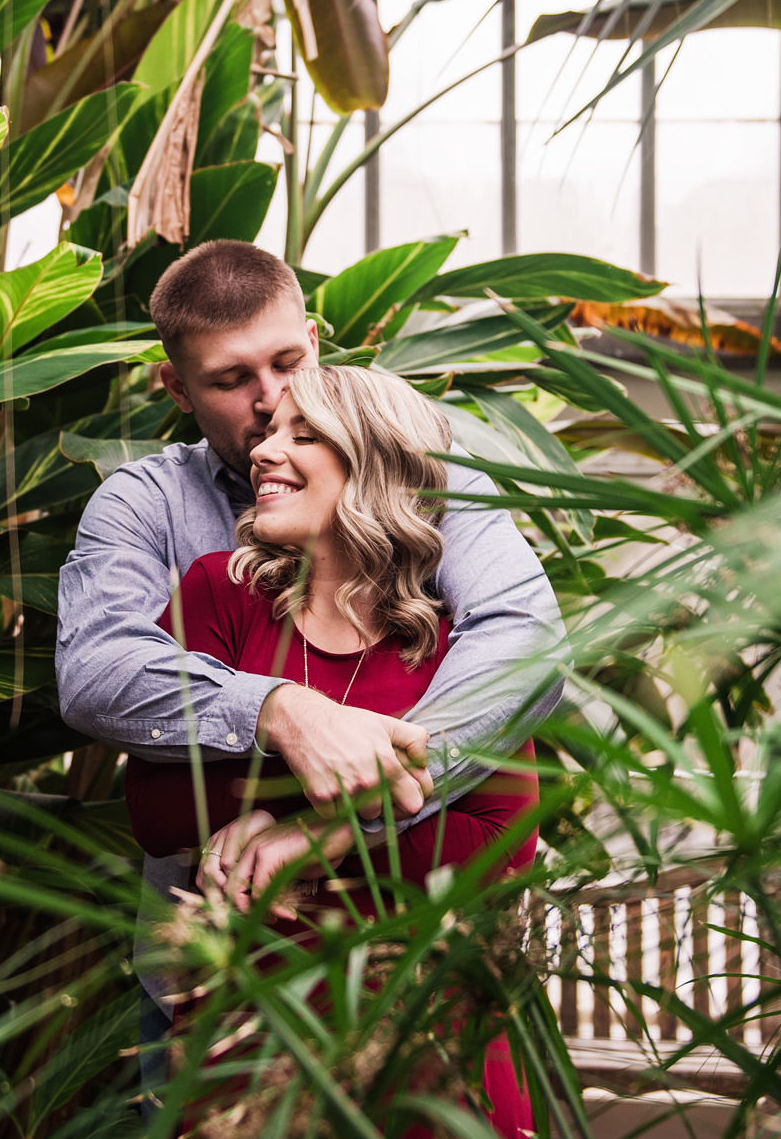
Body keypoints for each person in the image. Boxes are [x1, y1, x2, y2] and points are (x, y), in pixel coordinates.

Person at [53, 241, 562, 1093]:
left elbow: (522, 641)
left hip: (425, 983)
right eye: (230, 379)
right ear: (177, 389)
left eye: (289, 362)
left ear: (317, 340)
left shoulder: (424, 475)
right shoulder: (155, 512)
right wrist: (284, 712)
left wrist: (334, 828)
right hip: (219, 985)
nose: (270, 402)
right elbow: (102, 672)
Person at [122, 364, 538, 1135]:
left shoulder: (456, 640)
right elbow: (156, 803)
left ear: (374, 462)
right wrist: (338, 764)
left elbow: (499, 844)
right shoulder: (220, 592)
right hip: (247, 1043)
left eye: (301, 435)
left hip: (426, 1034)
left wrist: (303, 833)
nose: (264, 451)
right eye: (270, 431)